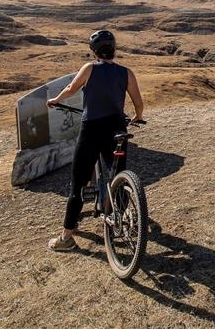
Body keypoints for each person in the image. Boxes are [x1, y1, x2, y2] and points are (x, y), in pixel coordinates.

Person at [46, 30, 144, 251]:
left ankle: (66, 238)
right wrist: (138, 116)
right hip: (117, 128)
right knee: (118, 175)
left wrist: (55, 100)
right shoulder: (126, 73)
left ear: (93, 51)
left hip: (92, 130)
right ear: (114, 49)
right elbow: (138, 102)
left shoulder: (89, 69)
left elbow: (71, 89)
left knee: (78, 183)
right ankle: (125, 216)